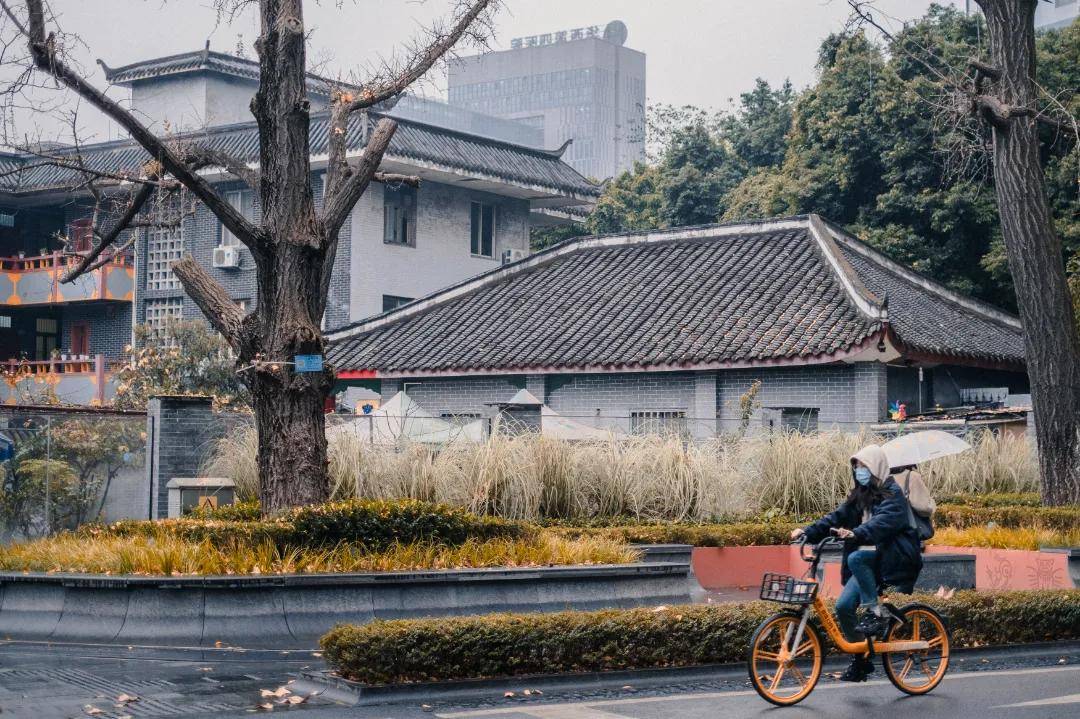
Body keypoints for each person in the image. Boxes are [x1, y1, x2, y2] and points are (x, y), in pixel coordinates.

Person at [790, 444, 923, 682]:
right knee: (843, 607)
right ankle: (861, 659)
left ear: (876, 467)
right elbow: (836, 517)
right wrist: (807, 532)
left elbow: (882, 522)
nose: (859, 471)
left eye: (864, 466)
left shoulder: (894, 495)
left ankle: (876, 612)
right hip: (865, 564)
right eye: (857, 467)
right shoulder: (861, 495)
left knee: (856, 557)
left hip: (890, 560)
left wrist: (856, 534)